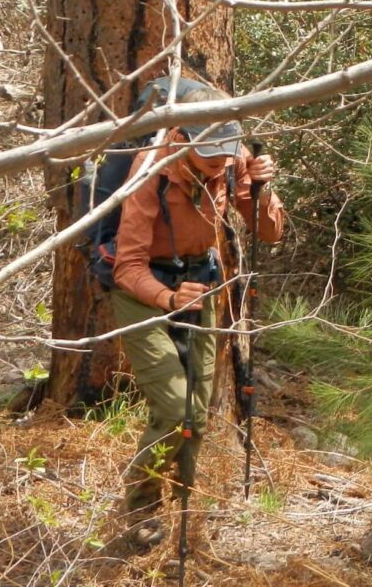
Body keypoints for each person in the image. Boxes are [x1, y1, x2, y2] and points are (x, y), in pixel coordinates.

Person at [109, 85, 285, 549]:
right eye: (209, 160)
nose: (220, 167)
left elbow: (268, 234)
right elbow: (126, 267)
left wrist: (263, 188)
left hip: (201, 285)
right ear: (182, 139)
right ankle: (141, 506)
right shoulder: (150, 170)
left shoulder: (231, 159)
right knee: (173, 407)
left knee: (198, 411)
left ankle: (188, 506)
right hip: (145, 290)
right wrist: (167, 298)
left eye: (226, 157)